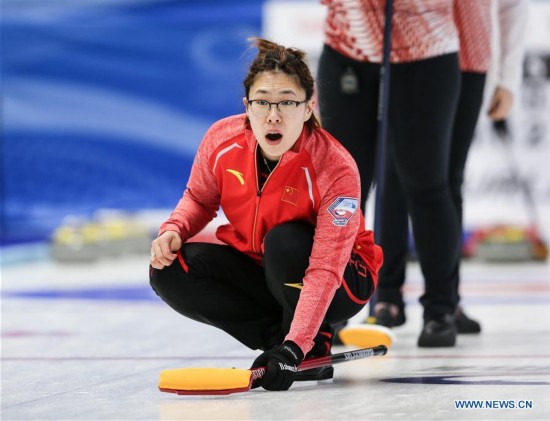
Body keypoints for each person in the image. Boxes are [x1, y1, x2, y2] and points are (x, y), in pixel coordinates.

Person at [149, 37, 383, 392]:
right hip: (262, 268)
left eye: (287, 102)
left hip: (342, 279)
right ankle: (285, 342)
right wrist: (175, 228)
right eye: (262, 102)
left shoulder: (335, 168)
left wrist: (297, 344)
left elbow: (325, 267)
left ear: (308, 108)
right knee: (169, 269)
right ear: (247, 106)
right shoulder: (221, 140)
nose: (273, 115)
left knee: (285, 241)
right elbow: (199, 199)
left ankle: (307, 343)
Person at [367, 0, 528, 335]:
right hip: (407, 53)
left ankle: (445, 300)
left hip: (470, 57)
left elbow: (513, 4)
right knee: (395, 170)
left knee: (446, 178)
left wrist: (508, 78)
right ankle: (386, 295)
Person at [317, 0, 463, 347]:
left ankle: (440, 308)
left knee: (426, 183)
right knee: (341, 189)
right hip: (346, 50)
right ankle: (330, 309)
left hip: (426, 52)